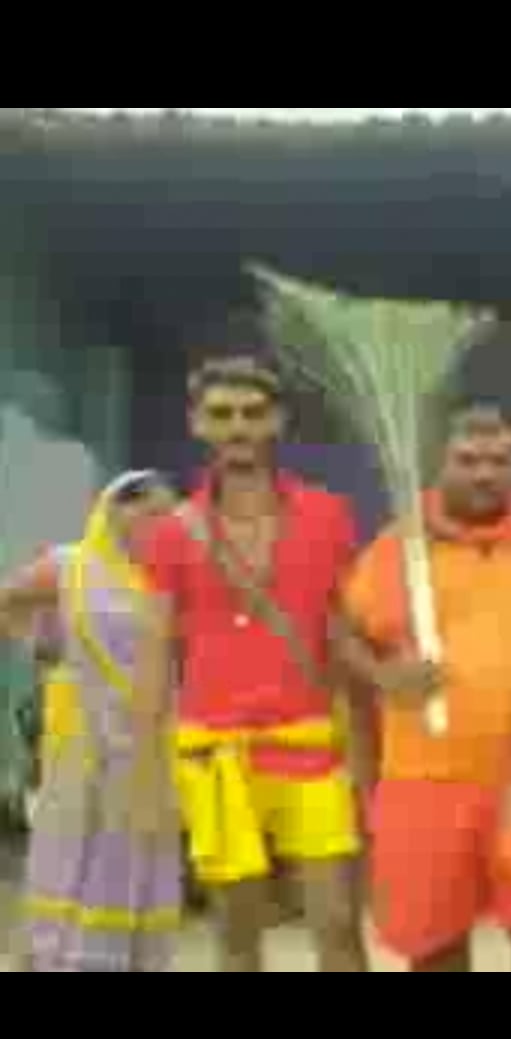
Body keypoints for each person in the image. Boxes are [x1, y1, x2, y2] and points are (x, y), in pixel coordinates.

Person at [338, 404, 511, 973]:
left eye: (500, 461)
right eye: (468, 460)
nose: (484, 474)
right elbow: (342, 633)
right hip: (424, 781)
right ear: (441, 465)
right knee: (434, 949)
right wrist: (382, 674)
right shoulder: (397, 548)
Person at [134, 357, 365, 973]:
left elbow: (344, 633)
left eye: (252, 413)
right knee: (238, 936)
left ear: (278, 420)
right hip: (214, 756)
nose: (238, 427)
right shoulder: (171, 533)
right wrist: (150, 769)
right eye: (222, 414)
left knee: (339, 924)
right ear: (197, 424)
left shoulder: (327, 513)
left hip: (310, 744)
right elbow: (156, 653)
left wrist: (366, 745)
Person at [0, 471, 183, 972]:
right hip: (82, 741)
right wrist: (44, 651)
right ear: (114, 510)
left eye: (168, 514)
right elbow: (9, 600)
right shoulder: (70, 566)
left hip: (149, 739)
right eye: (149, 511)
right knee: (69, 847)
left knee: (134, 844)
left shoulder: (171, 577)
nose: (159, 523)